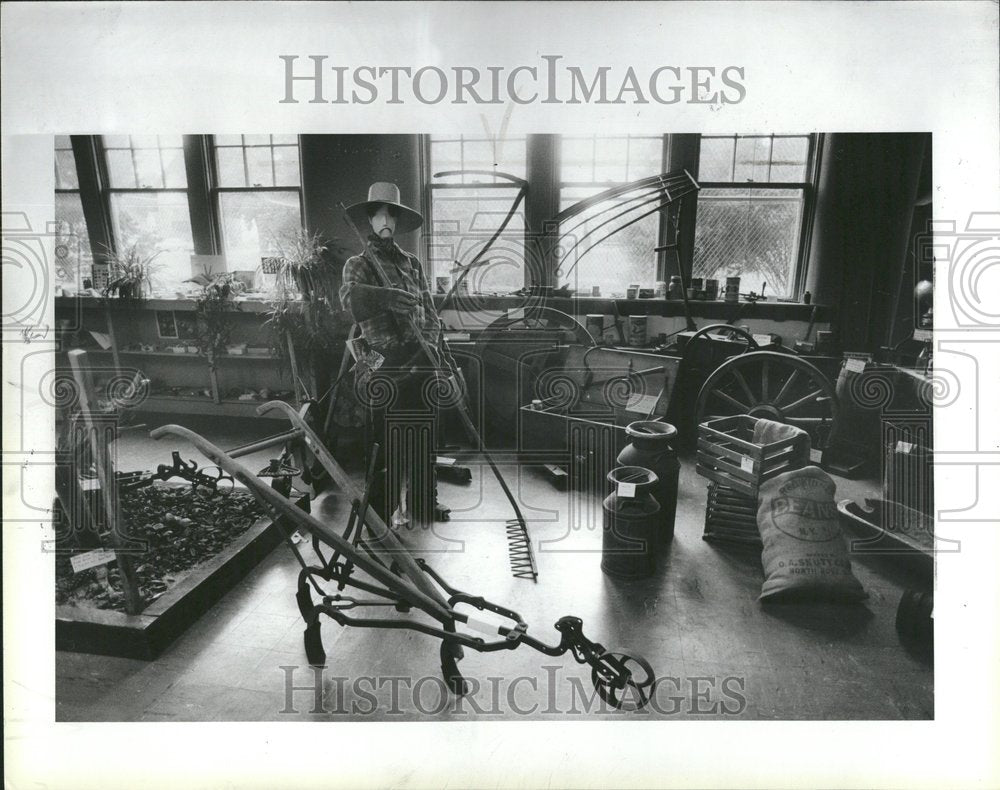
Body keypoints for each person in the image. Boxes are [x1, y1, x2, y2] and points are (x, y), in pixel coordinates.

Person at [339, 181, 455, 527]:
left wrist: (435, 348)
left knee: (423, 437)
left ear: (399, 221)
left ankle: (422, 502)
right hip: (383, 361)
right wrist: (386, 298)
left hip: (419, 358)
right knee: (385, 440)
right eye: (378, 214)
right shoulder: (357, 265)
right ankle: (378, 508)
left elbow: (430, 313)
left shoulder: (412, 264)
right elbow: (349, 301)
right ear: (369, 220)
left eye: (392, 213)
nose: (385, 219)